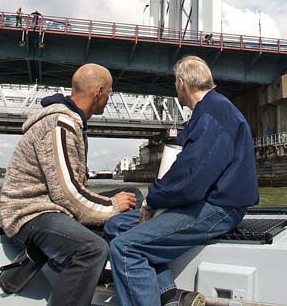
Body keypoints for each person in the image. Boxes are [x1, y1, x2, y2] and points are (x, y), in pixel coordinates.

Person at [104, 56, 259, 306]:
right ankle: (167, 293)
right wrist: (158, 200)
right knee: (117, 226)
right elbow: (188, 172)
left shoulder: (214, 114)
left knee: (126, 248)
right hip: (203, 201)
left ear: (181, 84)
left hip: (219, 207)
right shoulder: (210, 110)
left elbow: (192, 178)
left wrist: (152, 201)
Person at [0, 63, 139, 306]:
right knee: (92, 249)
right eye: (109, 92)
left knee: (133, 194)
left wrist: (114, 204)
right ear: (98, 92)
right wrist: (113, 207)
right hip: (31, 215)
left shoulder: (72, 121)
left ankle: (119, 263)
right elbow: (67, 194)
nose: (110, 97)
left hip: (54, 208)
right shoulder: (59, 124)